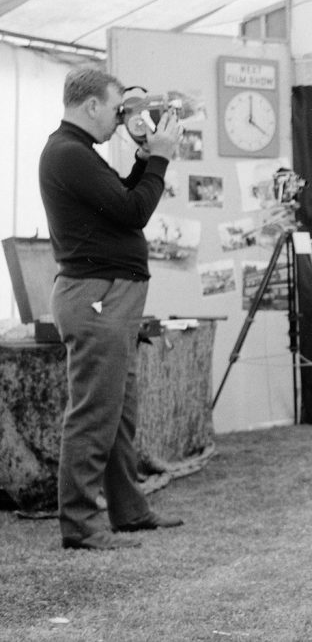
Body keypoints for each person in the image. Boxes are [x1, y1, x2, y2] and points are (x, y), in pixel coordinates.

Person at [39, 66, 185, 550]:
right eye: (117, 107)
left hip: (108, 295)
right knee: (94, 413)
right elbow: (133, 212)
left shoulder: (77, 154)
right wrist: (159, 159)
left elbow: (122, 201)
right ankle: (79, 526)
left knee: (118, 410)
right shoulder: (69, 154)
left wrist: (147, 158)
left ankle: (129, 511)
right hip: (96, 297)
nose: (121, 119)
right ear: (92, 106)